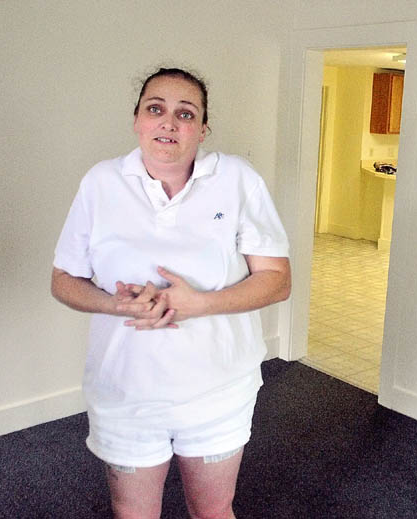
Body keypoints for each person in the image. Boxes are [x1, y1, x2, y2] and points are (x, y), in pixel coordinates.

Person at [51, 67, 291, 519]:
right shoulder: (100, 183)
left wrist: (200, 303)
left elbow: (278, 279)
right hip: (126, 392)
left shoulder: (237, 179)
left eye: (186, 113)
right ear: (137, 120)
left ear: (202, 129)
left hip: (218, 390)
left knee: (214, 511)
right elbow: (63, 280)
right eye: (155, 109)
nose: (169, 122)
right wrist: (115, 303)